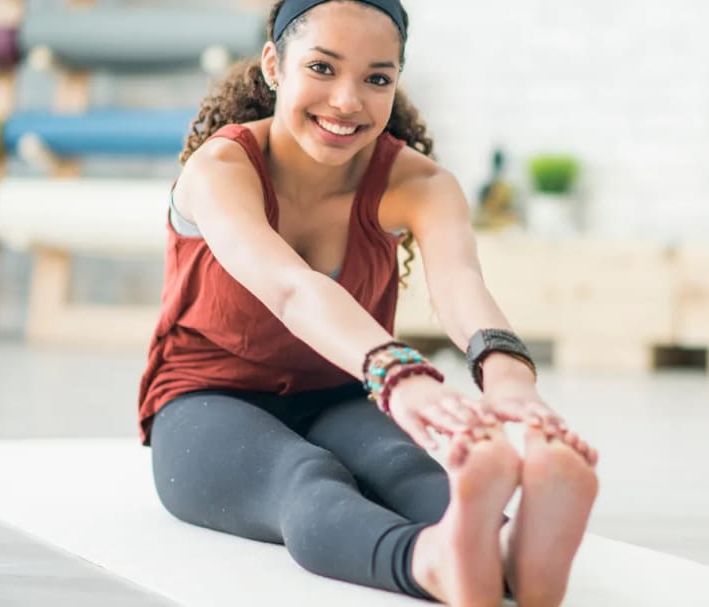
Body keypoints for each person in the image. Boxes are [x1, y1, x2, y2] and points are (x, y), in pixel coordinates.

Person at [137, 1, 598, 605]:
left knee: (407, 469)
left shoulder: (421, 184)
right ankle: (430, 562)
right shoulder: (221, 168)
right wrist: (401, 375)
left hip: (339, 394)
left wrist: (509, 381)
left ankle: (514, 554)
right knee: (305, 479)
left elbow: (460, 284)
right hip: (207, 400)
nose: (348, 101)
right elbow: (291, 288)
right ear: (275, 65)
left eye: (376, 78)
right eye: (323, 68)